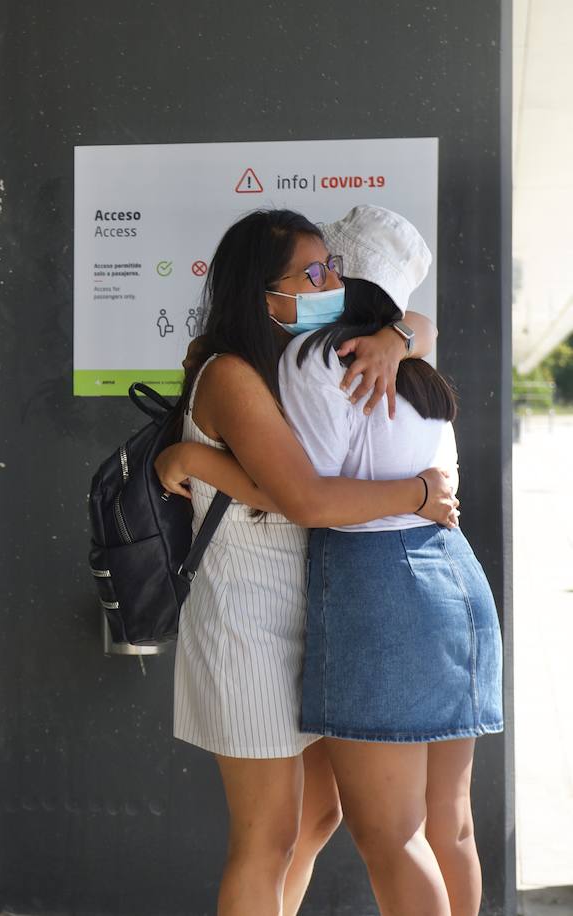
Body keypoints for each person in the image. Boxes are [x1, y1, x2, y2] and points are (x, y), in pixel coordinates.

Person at [152, 209, 459, 916]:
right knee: (266, 837)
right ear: (262, 294)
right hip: (248, 624)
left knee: (318, 821)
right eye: (313, 273)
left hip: (318, 615)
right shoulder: (230, 372)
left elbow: (422, 324)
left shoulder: (304, 356)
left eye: (334, 268)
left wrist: (395, 336)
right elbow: (304, 498)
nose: (332, 283)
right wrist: (418, 494)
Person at [279, 206, 502, 916]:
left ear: (342, 275)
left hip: (378, 588)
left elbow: (306, 492)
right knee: (449, 822)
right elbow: (420, 326)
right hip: (455, 581)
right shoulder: (417, 363)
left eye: (323, 268)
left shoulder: (320, 358)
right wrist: (400, 332)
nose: (316, 280)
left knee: (391, 835)